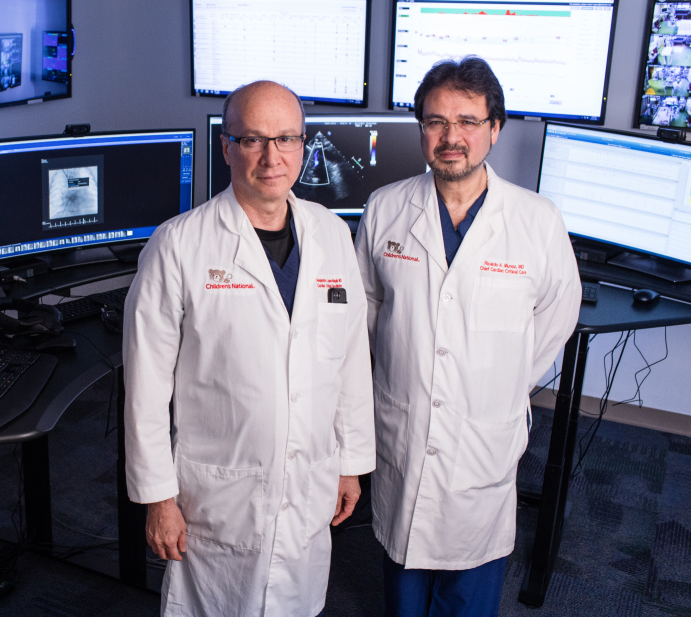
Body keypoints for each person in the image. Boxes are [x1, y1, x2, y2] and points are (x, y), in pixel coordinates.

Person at [124, 80, 376, 617]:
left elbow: (350, 358)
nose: (271, 157)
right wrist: (158, 499)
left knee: (297, 601)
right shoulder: (179, 245)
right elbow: (145, 389)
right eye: (253, 140)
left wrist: (350, 463)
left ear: (303, 146)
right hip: (219, 495)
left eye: (286, 139)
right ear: (226, 145)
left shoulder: (331, 233)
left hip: (309, 478)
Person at [354, 57, 581, 616]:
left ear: (495, 129)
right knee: (403, 581)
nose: (451, 137)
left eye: (468, 121)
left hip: (483, 434)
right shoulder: (386, 208)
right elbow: (366, 306)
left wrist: (502, 383)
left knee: (469, 585)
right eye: (436, 121)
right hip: (402, 422)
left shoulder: (536, 220)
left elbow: (557, 312)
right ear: (420, 129)